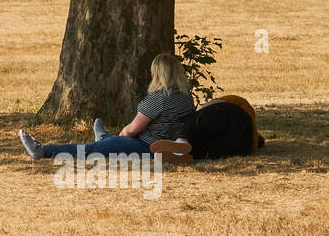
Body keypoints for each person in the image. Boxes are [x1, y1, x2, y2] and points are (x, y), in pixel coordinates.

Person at [17, 53, 196, 160]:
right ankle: (104, 138)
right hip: (158, 144)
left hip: (146, 146)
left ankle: (42, 151)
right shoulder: (185, 96)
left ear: (156, 74)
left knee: (93, 149)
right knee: (107, 144)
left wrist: (121, 138)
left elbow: (132, 129)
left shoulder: (159, 98)